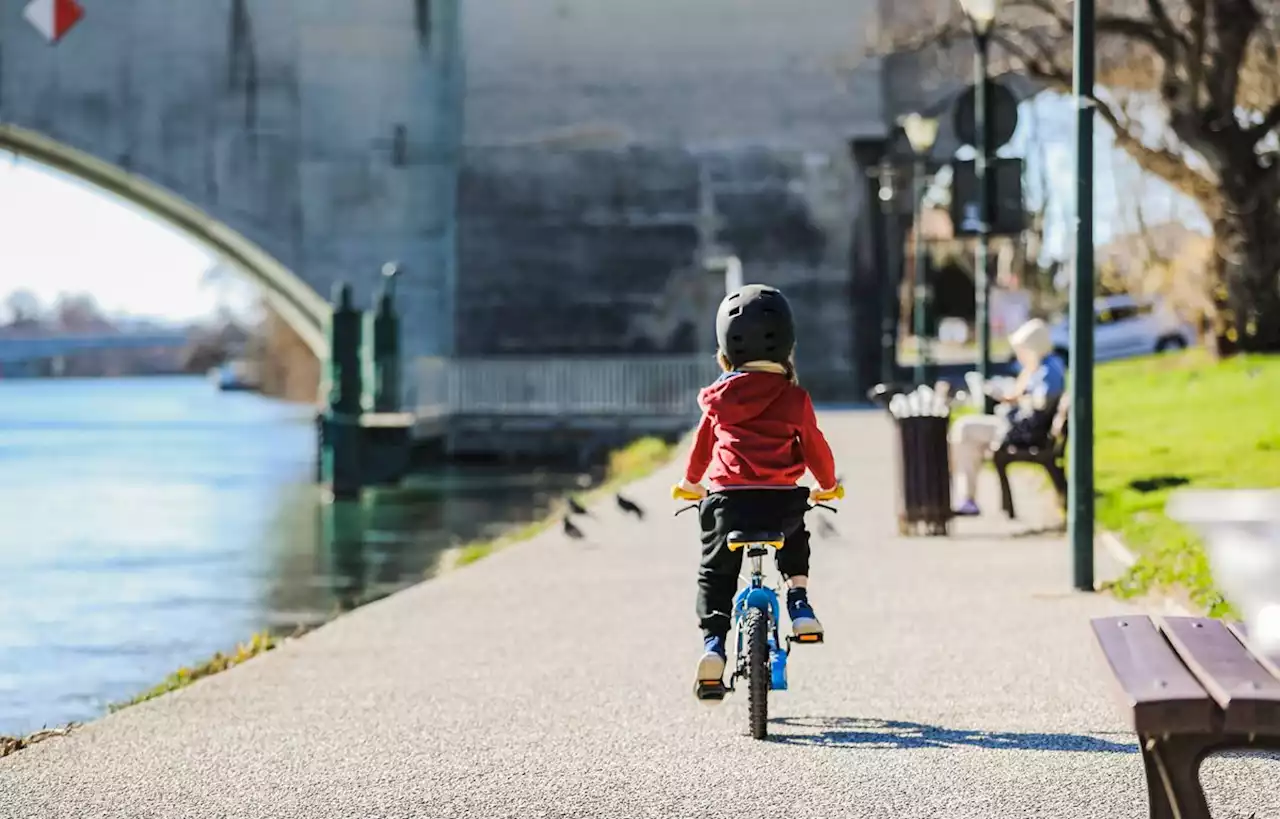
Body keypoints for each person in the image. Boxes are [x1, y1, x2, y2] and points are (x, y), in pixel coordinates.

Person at [674, 284, 840, 699]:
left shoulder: (718, 401)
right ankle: (799, 601)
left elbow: (701, 450)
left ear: (725, 349)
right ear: (786, 346)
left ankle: (714, 646)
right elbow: (815, 448)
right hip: (779, 500)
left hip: (727, 502)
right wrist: (826, 485)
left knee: (714, 571)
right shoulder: (794, 397)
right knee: (795, 533)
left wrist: (691, 485)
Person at [948, 318, 1066, 516]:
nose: (1019, 356)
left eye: (1022, 350)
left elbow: (1040, 401)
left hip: (1020, 432)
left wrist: (1016, 397)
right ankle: (965, 495)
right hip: (1015, 427)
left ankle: (966, 497)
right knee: (963, 435)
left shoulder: (1047, 370)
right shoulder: (1039, 367)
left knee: (963, 430)